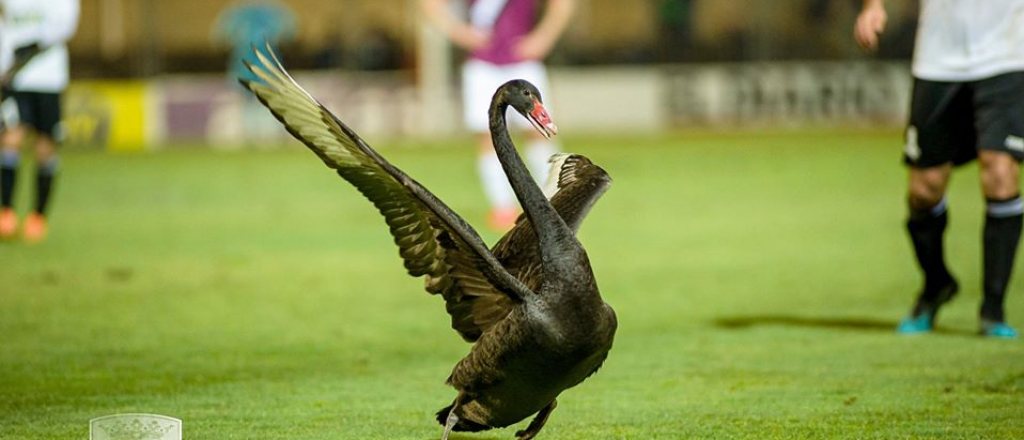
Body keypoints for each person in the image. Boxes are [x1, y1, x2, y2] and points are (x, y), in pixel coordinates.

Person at [855, 0, 1024, 338]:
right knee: (924, 189)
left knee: (1000, 172)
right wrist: (873, 5)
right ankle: (936, 285)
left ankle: (993, 309)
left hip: (1007, 55)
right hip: (937, 60)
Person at [421, 0, 575, 231]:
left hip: (523, 60)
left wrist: (543, 38)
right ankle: (503, 208)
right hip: (483, 64)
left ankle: (553, 199)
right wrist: (459, 32)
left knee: (540, 131)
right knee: (488, 135)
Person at [0, 0, 80, 243]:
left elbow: (65, 26)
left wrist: (33, 45)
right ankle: (6, 212)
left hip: (49, 78)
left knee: (46, 146)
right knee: (10, 137)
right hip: (16, 78)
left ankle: (38, 216)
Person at [212, 0, 296, 144]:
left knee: (262, 100)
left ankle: (265, 137)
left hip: (260, 63)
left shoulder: (269, 10)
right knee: (253, 101)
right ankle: (257, 137)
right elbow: (289, 32)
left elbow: (220, 36)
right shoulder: (242, 10)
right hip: (250, 63)